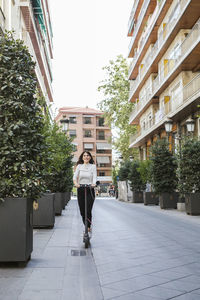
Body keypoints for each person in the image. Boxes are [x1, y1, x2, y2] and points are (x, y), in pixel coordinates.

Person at [73, 151, 97, 232]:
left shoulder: (93, 166)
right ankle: (85, 225)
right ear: (82, 157)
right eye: (84, 155)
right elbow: (75, 177)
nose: (86, 157)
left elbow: (94, 177)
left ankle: (88, 226)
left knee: (88, 209)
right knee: (82, 210)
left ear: (90, 157)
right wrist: (76, 183)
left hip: (90, 189)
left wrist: (94, 183)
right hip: (81, 188)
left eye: (88, 155)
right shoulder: (79, 166)